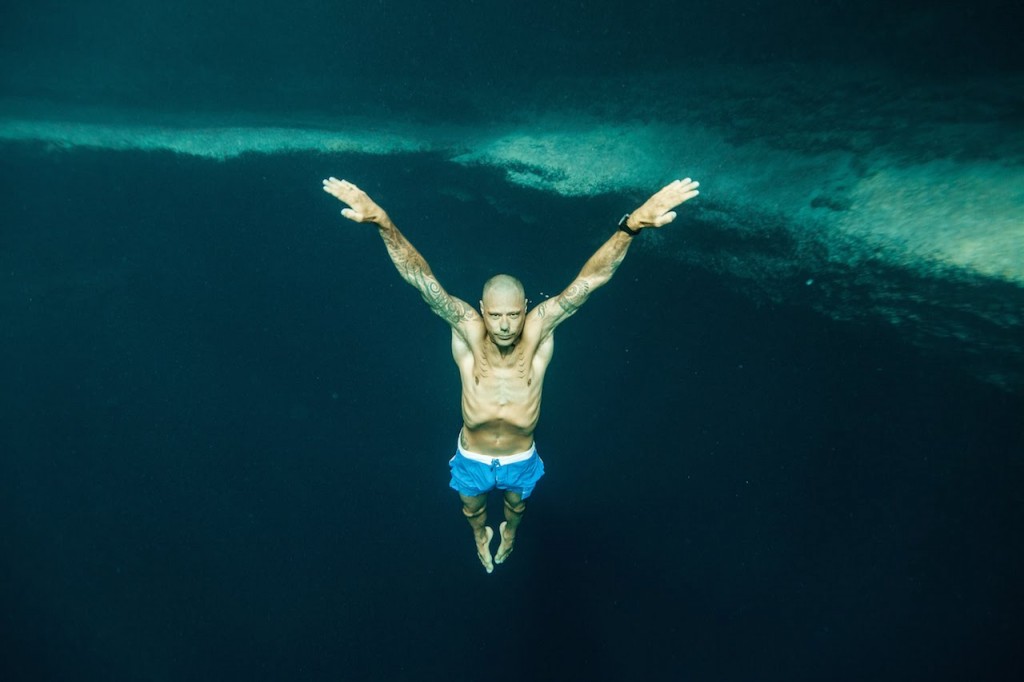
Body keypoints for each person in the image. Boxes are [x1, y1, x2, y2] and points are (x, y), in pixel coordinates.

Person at [322, 176, 700, 572]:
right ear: (483, 309)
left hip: (520, 453)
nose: (504, 326)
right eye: (496, 315)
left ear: (526, 307)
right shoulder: (467, 327)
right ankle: (479, 535)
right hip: (472, 453)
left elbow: (590, 281)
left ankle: (512, 532)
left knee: (517, 506)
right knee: (471, 510)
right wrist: (384, 222)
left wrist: (631, 226)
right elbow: (422, 280)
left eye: (513, 315)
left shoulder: (540, 329)